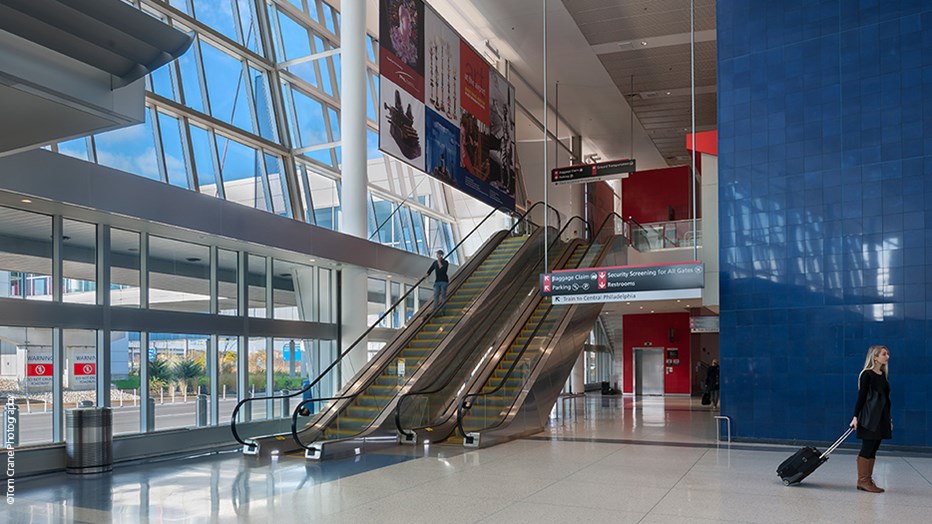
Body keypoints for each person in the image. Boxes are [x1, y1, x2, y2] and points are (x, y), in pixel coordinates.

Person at [850, 345, 891, 493]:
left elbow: (885, 400)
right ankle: (863, 480)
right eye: (884, 354)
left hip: (881, 418)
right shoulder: (867, 374)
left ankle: (867, 480)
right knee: (867, 447)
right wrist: (855, 417)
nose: (887, 356)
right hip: (868, 417)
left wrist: (889, 420)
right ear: (875, 357)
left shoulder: (882, 375)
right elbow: (861, 397)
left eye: (887, 354)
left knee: (874, 448)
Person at [426, 249, 449, 315]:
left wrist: (439, 260)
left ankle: (443, 311)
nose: (437, 255)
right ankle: (435, 311)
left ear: (441, 255)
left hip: (444, 281)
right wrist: (427, 274)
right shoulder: (435, 263)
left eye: (438, 254)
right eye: (437, 254)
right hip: (437, 281)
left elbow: (442, 269)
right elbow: (430, 269)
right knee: (436, 296)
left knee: (443, 296)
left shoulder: (445, 262)